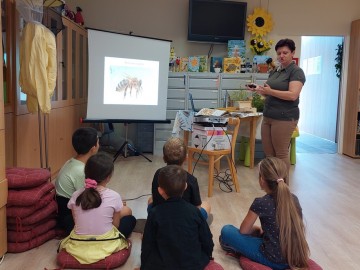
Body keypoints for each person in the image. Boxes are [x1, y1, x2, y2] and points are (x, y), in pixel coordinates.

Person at [219, 157, 310, 270]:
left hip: (274, 260)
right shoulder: (294, 199)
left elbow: (244, 230)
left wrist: (256, 230)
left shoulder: (261, 203)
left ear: (262, 180)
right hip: (295, 257)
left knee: (227, 230)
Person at [58, 152, 136, 264]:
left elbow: (76, 224)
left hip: (79, 243)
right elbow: (115, 226)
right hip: (106, 244)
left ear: (86, 173)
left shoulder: (76, 195)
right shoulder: (114, 196)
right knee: (130, 220)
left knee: (68, 220)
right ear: (109, 177)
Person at [248, 39, 306, 181]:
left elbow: (292, 95)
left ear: (292, 53)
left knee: (280, 154)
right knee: (269, 155)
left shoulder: (296, 72)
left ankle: (283, 189)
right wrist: (260, 90)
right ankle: (272, 187)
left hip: (284, 117)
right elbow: (269, 92)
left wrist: (271, 91)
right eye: (279, 53)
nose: (281, 56)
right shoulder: (275, 71)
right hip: (268, 116)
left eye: (285, 52)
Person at [141, 165, 216, 270]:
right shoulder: (194, 211)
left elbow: (147, 244)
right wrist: (207, 256)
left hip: (162, 265)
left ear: (160, 190)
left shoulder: (154, 213)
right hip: (193, 264)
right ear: (185, 187)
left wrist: (144, 265)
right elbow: (207, 240)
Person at [148, 137, 211, 220]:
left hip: (161, 218)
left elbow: (155, 200)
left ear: (164, 158)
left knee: (150, 200)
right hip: (186, 220)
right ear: (186, 158)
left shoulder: (158, 174)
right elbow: (197, 208)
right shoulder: (191, 180)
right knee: (206, 205)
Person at [55, 127, 99, 234]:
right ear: (93, 148)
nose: (99, 146)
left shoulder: (71, 161)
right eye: (98, 143)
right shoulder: (80, 171)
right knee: (126, 218)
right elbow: (88, 201)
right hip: (71, 218)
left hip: (70, 212)